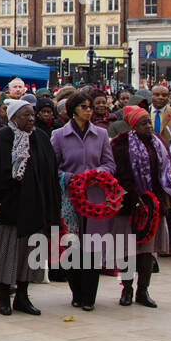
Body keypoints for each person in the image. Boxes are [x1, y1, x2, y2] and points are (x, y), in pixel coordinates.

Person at [0, 99, 60, 315]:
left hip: (35, 206)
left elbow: (50, 171)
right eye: (26, 115)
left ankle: (23, 297)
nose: (32, 119)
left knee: (29, 254)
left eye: (32, 115)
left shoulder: (41, 139)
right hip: (8, 206)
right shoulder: (0, 139)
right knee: (7, 254)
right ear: (14, 117)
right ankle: (5, 296)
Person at [109, 106, 171, 307]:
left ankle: (143, 290)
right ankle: (126, 289)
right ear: (133, 125)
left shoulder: (158, 142)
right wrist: (135, 197)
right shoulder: (121, 143)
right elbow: (119, 173)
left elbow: (167, 166)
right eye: (143, 123)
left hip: (153, 205)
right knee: (127, 250)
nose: (148, 126)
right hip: (129, 204)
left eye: (148, 122)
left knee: (147, 251)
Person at [50, 88, 116, 309]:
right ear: (73, 111)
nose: (89, 111)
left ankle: (89, 296)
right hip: (69, 198)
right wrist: (71, 178)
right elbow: (53, 167)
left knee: (93, 246)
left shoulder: (101, 134)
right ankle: (76, 291)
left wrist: (97, 175)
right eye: (83, 107)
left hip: (95, 197)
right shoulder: (59, 135)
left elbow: (110, 164)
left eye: (90, 107)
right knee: (72, 246)